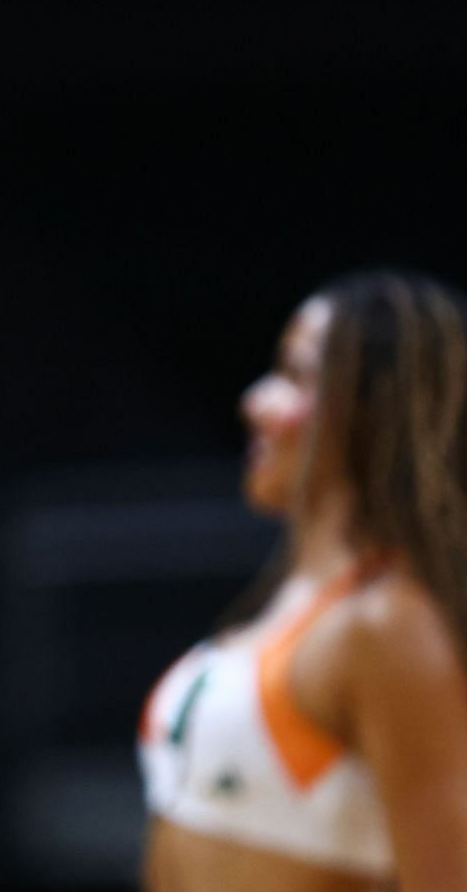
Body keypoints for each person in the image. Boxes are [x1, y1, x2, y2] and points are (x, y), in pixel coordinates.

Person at [139, 270, 467, 891]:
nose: (254, 403)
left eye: (293, 375)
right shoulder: (289, 605)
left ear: (375, 407)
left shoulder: (390, 625)